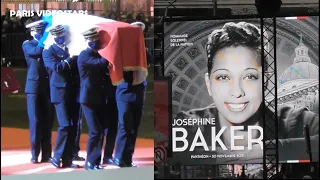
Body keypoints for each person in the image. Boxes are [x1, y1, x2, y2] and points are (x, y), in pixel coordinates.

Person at [175, 22, 319, 164]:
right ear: (209, 84)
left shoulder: (300, 122)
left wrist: (266, 150)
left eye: (250, 77)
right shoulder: (186, 124)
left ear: (266, 80)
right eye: (223, 77)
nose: (237, 92)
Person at [42, 24, 80, 168]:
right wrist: (70, 58)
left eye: (62, 35)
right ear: (53, 36)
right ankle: (57, 157)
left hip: (72, 92)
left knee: (73, 126)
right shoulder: (49, 51)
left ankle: (68, 159)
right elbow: (57, 68)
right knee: (65, 125)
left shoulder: (70, 49)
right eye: (57, 35)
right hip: (59, 92)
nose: (60, 38)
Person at [113, 23, 148, 168]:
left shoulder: (143, 51)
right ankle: (119, 156)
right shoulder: (122, 50)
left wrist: (140, 49)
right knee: (125, 125)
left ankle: (128, 157)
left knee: (134, 126)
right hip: (125, 91)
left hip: (138, 91)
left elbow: (149, 60)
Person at [22, 20, 54, 163]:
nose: (40, 33)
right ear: (32, 32)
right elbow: (35, 52)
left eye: (41, 30)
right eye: (37, 31)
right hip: (33, 88)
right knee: (35, 121)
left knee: (47, 121)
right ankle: (35, 155)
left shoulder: (46, 45)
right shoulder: (27, 44)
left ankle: (47, 154)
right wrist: (44, 40)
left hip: (46, 87)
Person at [77, 27, 109, 170]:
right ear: (85, 41)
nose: (93, 42)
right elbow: (100, 64)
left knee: (100, 130)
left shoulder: (97, 54)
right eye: (91, 40)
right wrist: (109, 52)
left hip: (99, 97)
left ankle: (96, 161)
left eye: (95, 39)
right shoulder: (84, 55)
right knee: (95, 131)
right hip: (88, 98)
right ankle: (89, 162)